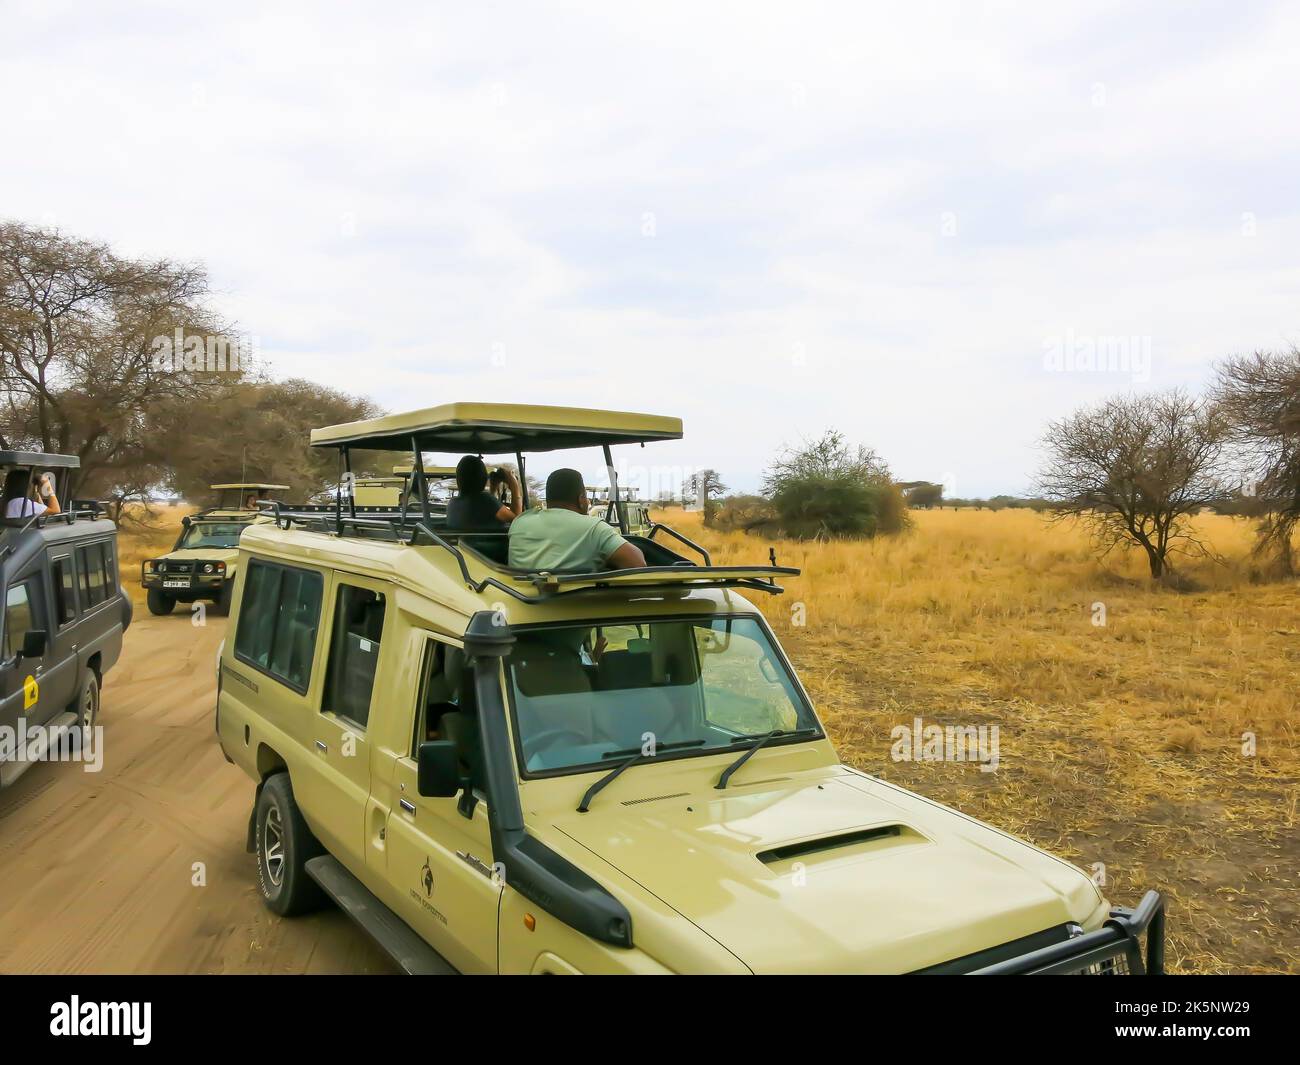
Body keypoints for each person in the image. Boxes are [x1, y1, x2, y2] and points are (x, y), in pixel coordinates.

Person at [509, 468, 645, 573]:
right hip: (575, 605)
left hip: (518, 601)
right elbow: (637, 563)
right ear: (581, 499)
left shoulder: (520, 522)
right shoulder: (593, 528)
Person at [446, 456, 521, 531]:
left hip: (463, 542)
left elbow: (488, 511)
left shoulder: (452, 503)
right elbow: (518, 520)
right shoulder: (485, 500)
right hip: (492, 542)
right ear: (482, 477)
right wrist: (514, 485)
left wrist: (493, 488)